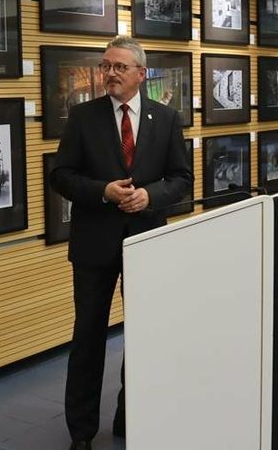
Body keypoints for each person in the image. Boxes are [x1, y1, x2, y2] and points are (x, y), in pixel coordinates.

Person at [50, 35, 193, 450]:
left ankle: (131, 415)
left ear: (141, 74)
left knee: (145, 335)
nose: (110, 73)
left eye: (119, 67)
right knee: (88, 338)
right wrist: (103, 191)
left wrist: (150, 196)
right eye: (106, 66)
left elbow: (182, 179)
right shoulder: (82, 117)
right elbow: (60, 175)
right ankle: (81, 433)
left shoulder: (165, 119)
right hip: (94, 245)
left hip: (146, 240)